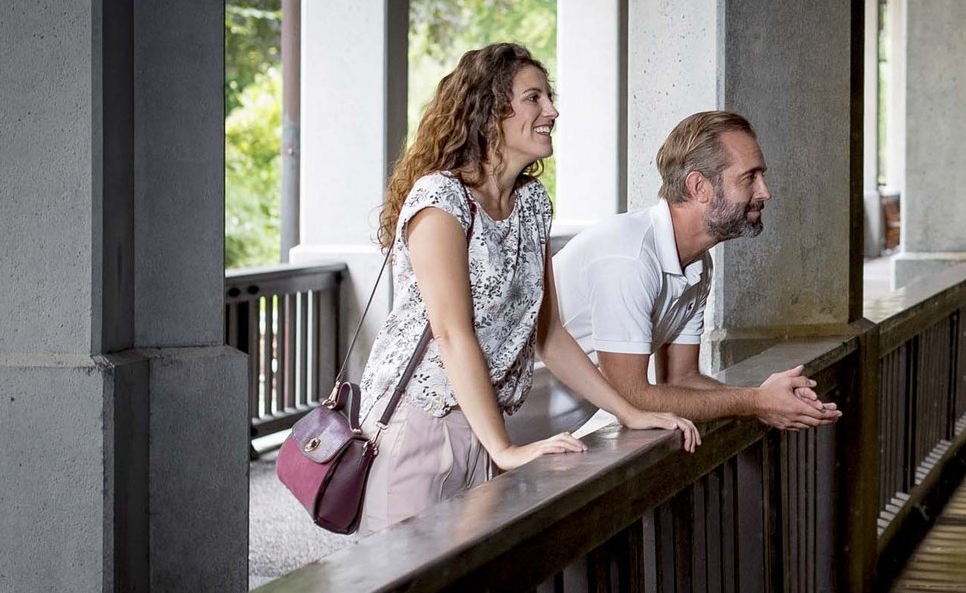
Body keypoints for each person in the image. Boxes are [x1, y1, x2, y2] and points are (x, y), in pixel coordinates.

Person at [355, 42, 699, 534]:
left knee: (471, 591)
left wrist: (630, 411)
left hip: (484, 423)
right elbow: (452, 334)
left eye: (548, 97)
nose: (552, 111)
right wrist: (505, 448)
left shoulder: (532, 203)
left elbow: (550, 335)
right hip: (419, 426)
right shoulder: (439, 199)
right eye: (534, 98)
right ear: (489, 112)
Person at [548, 110, 843, 432]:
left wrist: (766, 399)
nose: (764, 192)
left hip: (542, 434)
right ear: (699, 186)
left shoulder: (697, 261)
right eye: (749, 177)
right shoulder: (629, 256)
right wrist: (756, 401)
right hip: (498, 433)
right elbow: (630, 396)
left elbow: (681, 379)